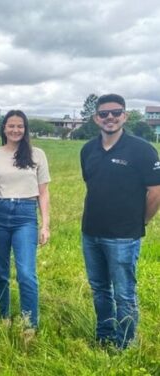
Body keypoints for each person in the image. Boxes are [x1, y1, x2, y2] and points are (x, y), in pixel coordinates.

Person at [80, 93, 160, 349]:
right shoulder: (88, 150)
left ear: (124, 115)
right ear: (96, 118)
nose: (110, 118)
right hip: (90, 232)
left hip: (124, 236)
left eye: (116, 112)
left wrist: (140, 223)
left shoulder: (142, 150)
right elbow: (91, 184)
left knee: (124, 294)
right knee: (100, 289)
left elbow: (156, 192)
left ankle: (124, 344)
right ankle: (104, 336)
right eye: (104, 114)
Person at [0, 110, 50, 333]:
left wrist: (45, 225)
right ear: (4, 128)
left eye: (20, 126)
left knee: (26, 273)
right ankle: (3, 316)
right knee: (0, 272)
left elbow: (43, 193)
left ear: (25, 129)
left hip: (25, 214)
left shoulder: (37, 154)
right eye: (11, 126)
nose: (16, 130)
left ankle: (29, 325)